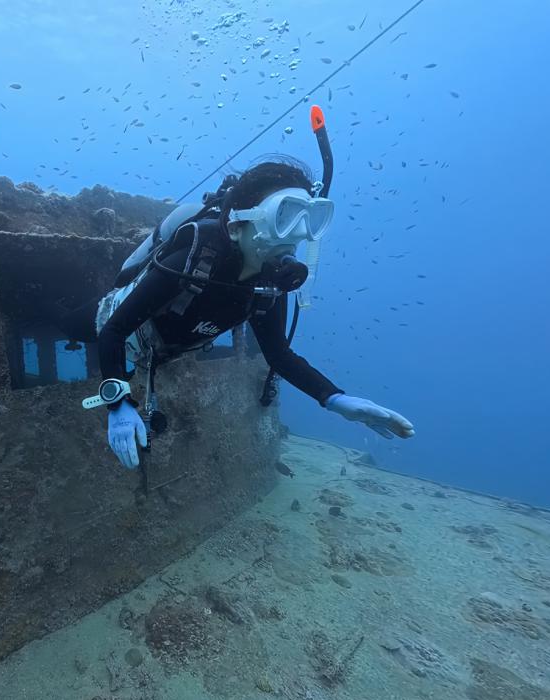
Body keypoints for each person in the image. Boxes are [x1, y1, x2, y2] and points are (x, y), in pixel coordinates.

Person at [60, 151, 414, 470]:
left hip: (160, 348)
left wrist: (335, 398)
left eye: (311, 219)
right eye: (285, 217)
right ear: (238, 222)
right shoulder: (192, 261)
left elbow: (278, 353)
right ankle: (51, 316)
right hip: (106, 320)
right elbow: (114, 332)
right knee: (61, 324)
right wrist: (118, 404)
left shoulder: (267, 287)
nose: (298, 236)